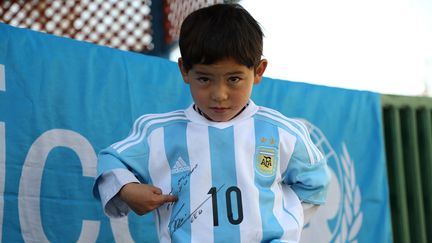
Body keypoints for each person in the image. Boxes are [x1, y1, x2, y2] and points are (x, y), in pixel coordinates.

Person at [93, 3, 330, 243]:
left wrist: (279, 218)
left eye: (234, 79)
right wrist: (127, 189)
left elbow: (315, 183)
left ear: (258, 71)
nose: (219, 94)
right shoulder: (158, 132)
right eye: (205, 78)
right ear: (185, 70)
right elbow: (111, 160)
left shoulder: (282, 132)